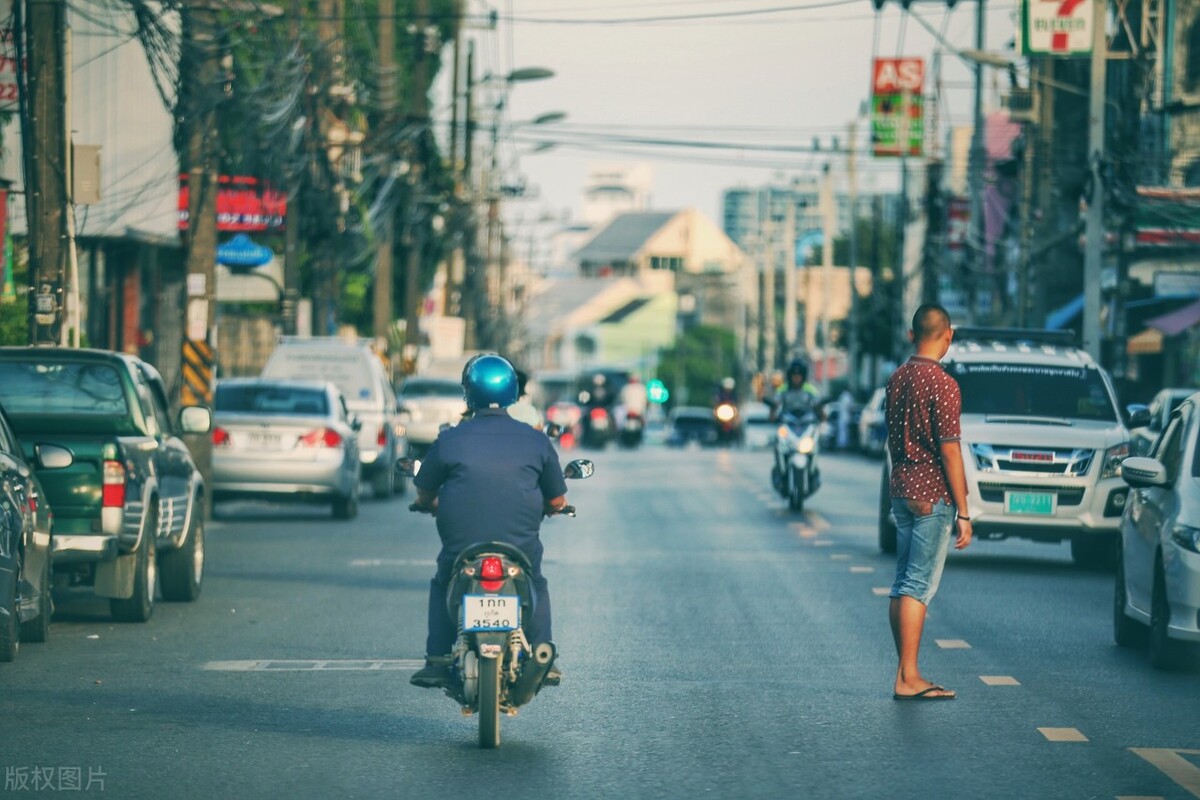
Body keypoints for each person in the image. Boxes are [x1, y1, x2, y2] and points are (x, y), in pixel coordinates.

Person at [409, 354, 570, 689]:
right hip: (520, 545)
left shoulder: (450, 439)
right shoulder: (535, 439)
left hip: (461, 545)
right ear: (513, 391)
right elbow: (557, 500)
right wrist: (554, 506)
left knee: (443, 581)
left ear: (469, 392)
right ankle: (544, 654)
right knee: (536, 581)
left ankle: (437, 660)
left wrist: (427, 504)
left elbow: (424, 490)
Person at [885, 304, 972, 701]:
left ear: (911, 334)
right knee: (917, 587)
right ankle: (910, 676)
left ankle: (904, 672)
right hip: (931, 494)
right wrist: (965, 510)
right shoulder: (943, 384)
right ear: (948, 336)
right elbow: (951, 452)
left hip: (901, 489)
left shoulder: (897, 378)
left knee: (902, 583)